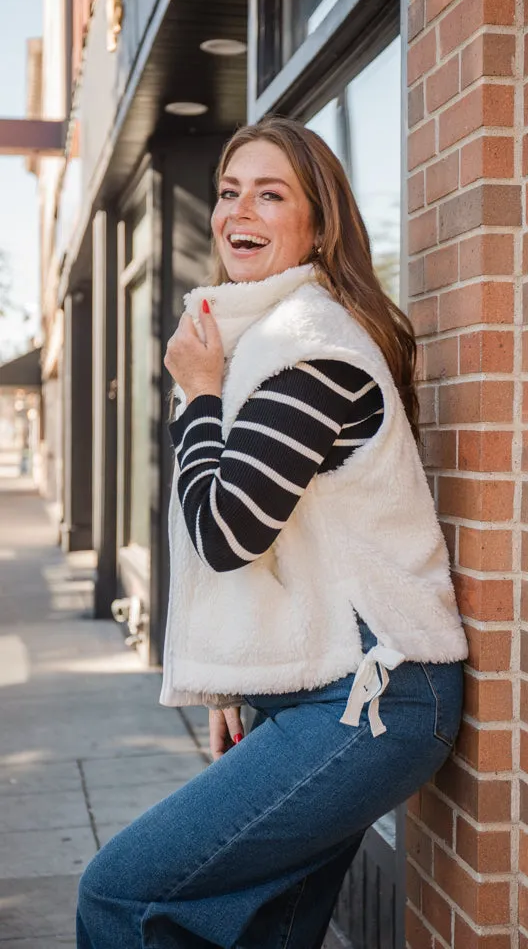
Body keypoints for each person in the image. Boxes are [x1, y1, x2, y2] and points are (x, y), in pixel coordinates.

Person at [76, 117, 467, 949]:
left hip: (375, 695)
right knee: (267, 936)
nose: (235, 210)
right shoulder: (266, 337)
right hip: (335, 688)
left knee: (120, 895)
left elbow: (224, 534)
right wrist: (240, 684)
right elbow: (270, 538)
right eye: (227, 192)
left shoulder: (310, 347)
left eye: (269, 192)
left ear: (318, 225)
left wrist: (198, 394)